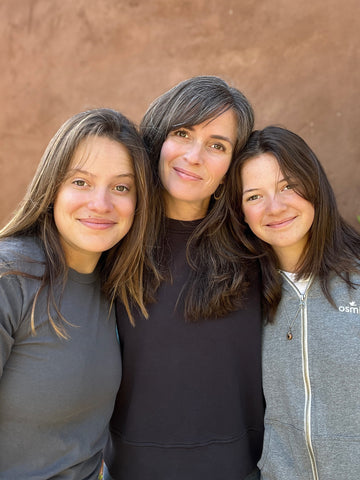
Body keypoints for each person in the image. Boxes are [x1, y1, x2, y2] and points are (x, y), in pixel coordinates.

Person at [103, 76, 264, 480]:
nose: (194, 156)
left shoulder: (260, 246)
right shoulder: (109, 237)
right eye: (182, 133)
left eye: (217, 145)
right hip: (132, 470)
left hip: (242, 470)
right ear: (158, 141)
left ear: (231, 168)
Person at [0, 108, 151, 479]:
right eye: (81, 182)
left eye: (121, 187)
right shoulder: (11, 276)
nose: (101, 204)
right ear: (52, 188)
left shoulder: (115, 286)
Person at [231, 125, 360, 479]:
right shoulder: (239, 297)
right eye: (254, 196)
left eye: (288, 186)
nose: (275, 207)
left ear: (313, 184)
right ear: (241, 212)